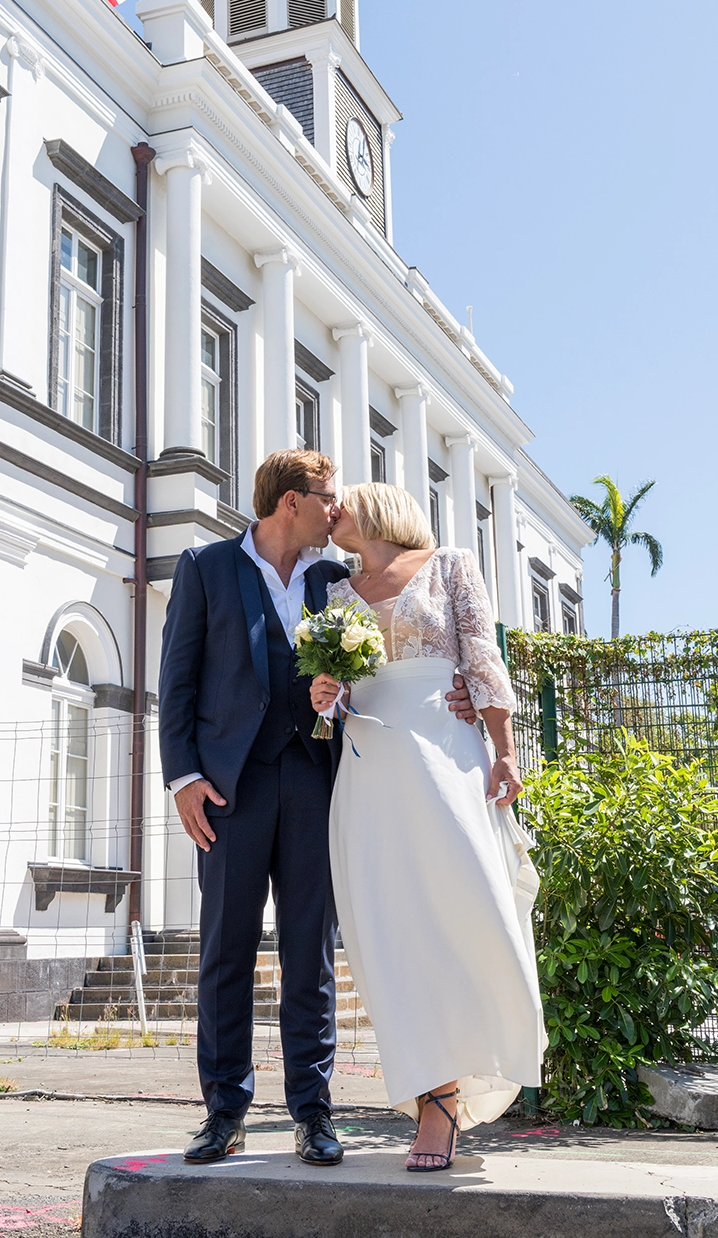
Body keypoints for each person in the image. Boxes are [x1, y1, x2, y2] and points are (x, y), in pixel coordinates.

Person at [158, 450, 478, 1167]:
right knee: (225, 952)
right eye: (325, 498)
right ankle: (224, 1112)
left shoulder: (338, 581)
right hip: (227, 790)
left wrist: (456, 692)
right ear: (288, 504)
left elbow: (402, 645)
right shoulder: (206, 567)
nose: (335, 511)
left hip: (317, 784)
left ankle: (312, 1113)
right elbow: (176, 680)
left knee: (310, 955)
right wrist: (182, 776)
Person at [310, 482, 544, 1172]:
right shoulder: (337, 591)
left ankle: (485, 1052)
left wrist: (504, 750)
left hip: (445, 746)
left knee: (467, 904)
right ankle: (434, 1100)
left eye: (340, 503)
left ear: (376, 507)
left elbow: (482, 658)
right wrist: (327, 695)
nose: (332, 515)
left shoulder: (451, 564)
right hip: (370, 760)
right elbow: (338, 688)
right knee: (391, 926)